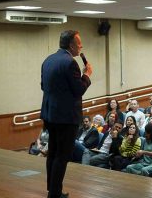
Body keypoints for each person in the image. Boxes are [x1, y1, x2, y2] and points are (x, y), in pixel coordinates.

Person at [40, 30, 92, 198]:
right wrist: (87, 74)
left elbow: (43, 86)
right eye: (79, 43)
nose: (81, 46)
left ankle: (53, 190)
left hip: (50, 115)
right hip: (66, 117)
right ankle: (54, 194)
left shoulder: (48, 60)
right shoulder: (70, 63)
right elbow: (78, 90)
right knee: (62, 156)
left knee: (53, 153)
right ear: (71, 45)